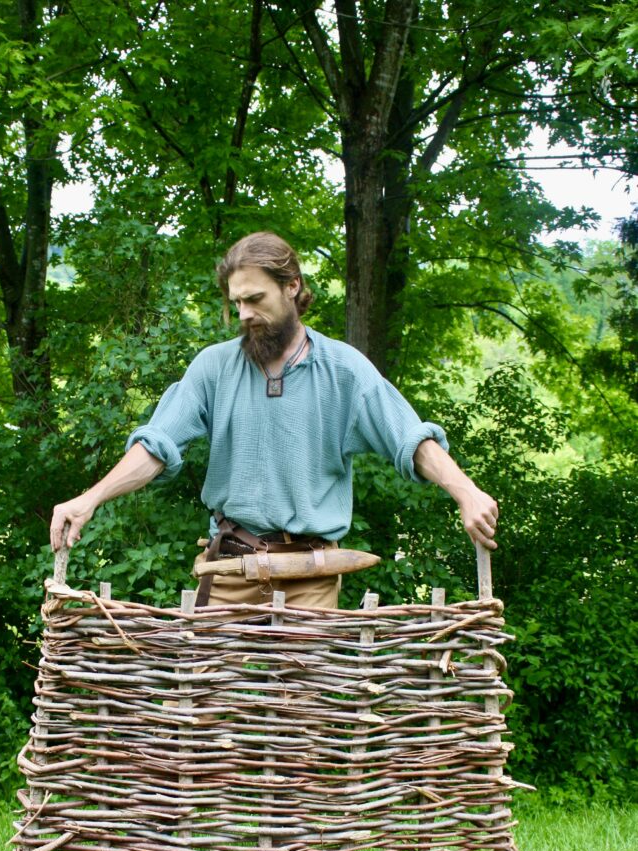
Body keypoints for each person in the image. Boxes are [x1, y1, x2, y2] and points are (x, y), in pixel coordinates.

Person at [50, 232, 498, 606]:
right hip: (228, 565)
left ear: (292, 287)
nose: (245, 314)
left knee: (303, 708)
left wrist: (466, 491)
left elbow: (410, 439)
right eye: (237, 302)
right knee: (198, 705)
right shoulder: (214, 367)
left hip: (312, 573)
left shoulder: (343, 370)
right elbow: (156, 446)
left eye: (255, 299)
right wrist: (90, 498)